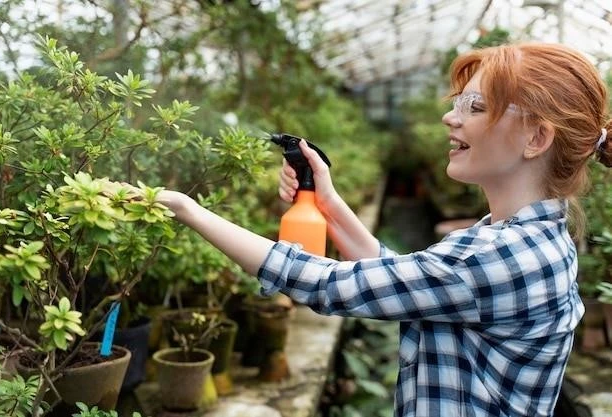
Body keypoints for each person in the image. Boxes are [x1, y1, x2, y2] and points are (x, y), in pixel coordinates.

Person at [147, 42, 611, 416]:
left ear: (536, 138)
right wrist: (328, 203)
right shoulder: (521, 239)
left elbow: (328, 285)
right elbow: (405, 281)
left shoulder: (498, 257)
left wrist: (189, 210)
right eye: (458, 103)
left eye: (477, 105)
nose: (451, 117)